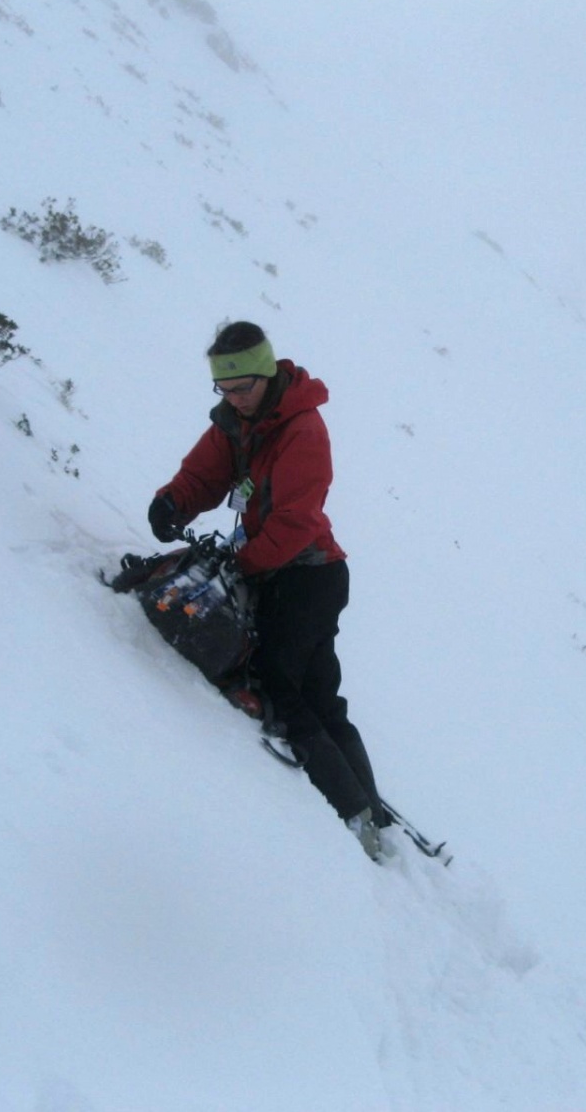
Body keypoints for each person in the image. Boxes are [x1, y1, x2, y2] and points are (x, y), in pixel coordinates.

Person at [148, 321, 389, 859]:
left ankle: (351, 812)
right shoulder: (239, 422)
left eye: (242, 388)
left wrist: (243, 563)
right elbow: (204, 474)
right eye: (224, 390)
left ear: (266, 374)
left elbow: (296, 521)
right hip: (285, 571)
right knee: (320, 693)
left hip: (308, 577)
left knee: (288, 691)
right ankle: (368, 803)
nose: (234, 400)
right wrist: (173, 502)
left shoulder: (303, 430)